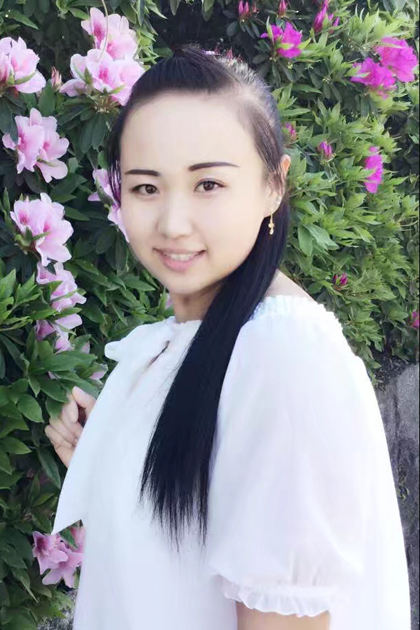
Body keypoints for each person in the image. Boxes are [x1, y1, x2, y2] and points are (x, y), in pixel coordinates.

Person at [45, 44, 411, 630]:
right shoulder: (197, 338)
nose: (172, 223)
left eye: (208, 184)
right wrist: (113, 453)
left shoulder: (283, 354)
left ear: (273, 185)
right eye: (146, 188)